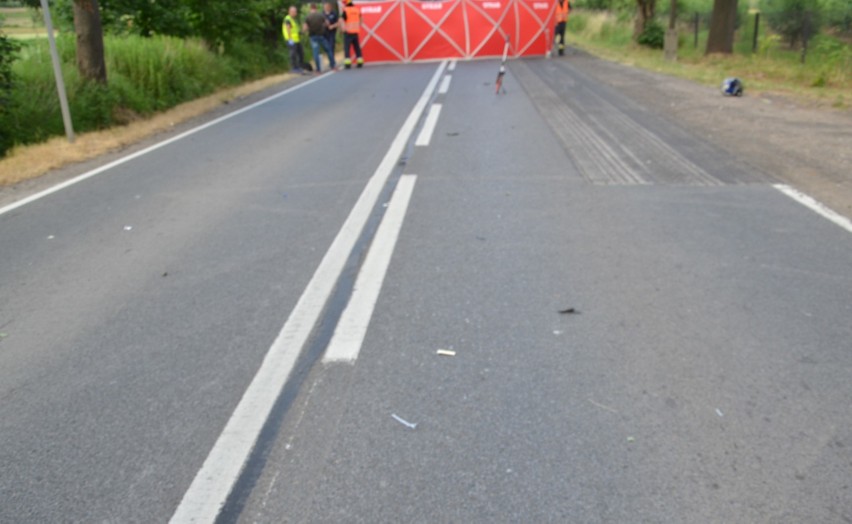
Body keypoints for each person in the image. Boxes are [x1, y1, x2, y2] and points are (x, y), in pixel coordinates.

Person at [305, 3, 335, 72]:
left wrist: (306, 30)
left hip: (313, 37)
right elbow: (327, 23)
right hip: (321, 36)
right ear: (316, 8)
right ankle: (332, 65)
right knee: (328, 50)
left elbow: (305, 27)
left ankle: (318, 69)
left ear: (310, 9)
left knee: (316, 53)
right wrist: (323, 26)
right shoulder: (321, 15)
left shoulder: (308, 17)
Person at [341, 0, 364, 69]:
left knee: (347, 48)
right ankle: (360, 62)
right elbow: (361, 19)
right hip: (355, 31)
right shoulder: (357, 10)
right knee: (357, 48)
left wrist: (343, 29)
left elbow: (342, 21)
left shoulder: (345, 10)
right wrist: (358, 25)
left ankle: (347, 63)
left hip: (348, 32)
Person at [283, 6, 306, 74]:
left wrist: (302, 31)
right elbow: (288, 29)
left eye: (295, 12)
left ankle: (299, 66)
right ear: (290, 12)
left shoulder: (293, 20)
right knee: (293, 54)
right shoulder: (288, 19)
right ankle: (294, 68)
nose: (295, 13)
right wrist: (290, 39)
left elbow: (296, 31)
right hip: (291, 40)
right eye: (294, 12)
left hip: (297, 40)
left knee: (301, 53)